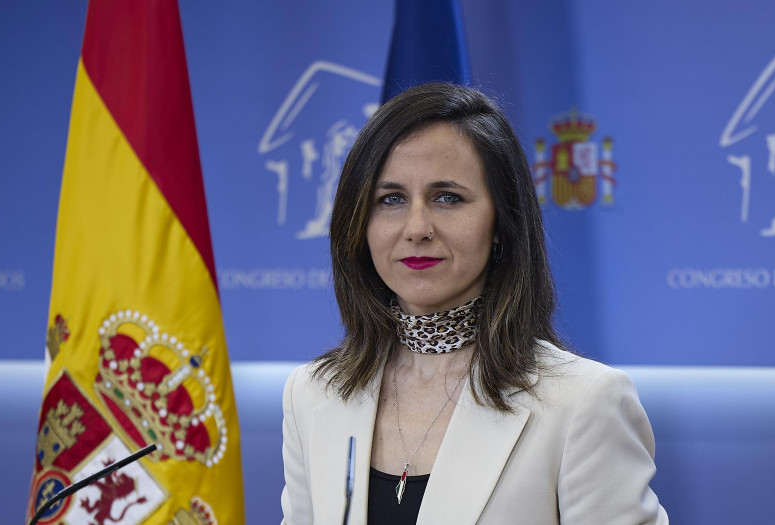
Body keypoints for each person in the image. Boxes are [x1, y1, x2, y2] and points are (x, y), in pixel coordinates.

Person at [280, 83, 667, 524]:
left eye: (448, 197)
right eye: (391, 199)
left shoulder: (584, 402)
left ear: (501, 222)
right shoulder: (311, 393)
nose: (417, 228)